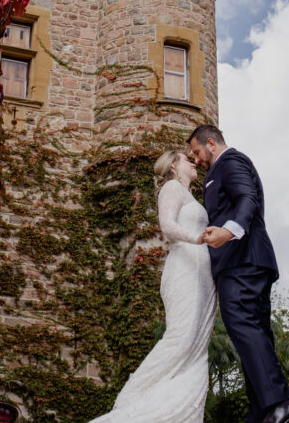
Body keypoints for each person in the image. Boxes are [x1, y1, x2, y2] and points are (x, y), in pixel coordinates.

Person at [89, 149, 217, 422]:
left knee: (196, 345)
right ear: (172, 166)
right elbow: (167, 226)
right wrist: (199, 239)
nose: (194, 162)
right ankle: (130, 403)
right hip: (185, 268)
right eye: (186, 159)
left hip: (203, 275)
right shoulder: (172, 187)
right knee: (181, 338)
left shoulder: (191, 194)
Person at [190, 124, 289, 423]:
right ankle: (264, 410)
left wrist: (228, 232)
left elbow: (247, 198)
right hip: (246, 263)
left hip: (243, 261)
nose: (197, 160)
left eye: (197, 152)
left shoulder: (231, 161)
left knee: (243, 325)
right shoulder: (219, 169)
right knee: (255, 332)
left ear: (211, 143)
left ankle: (280, 404)